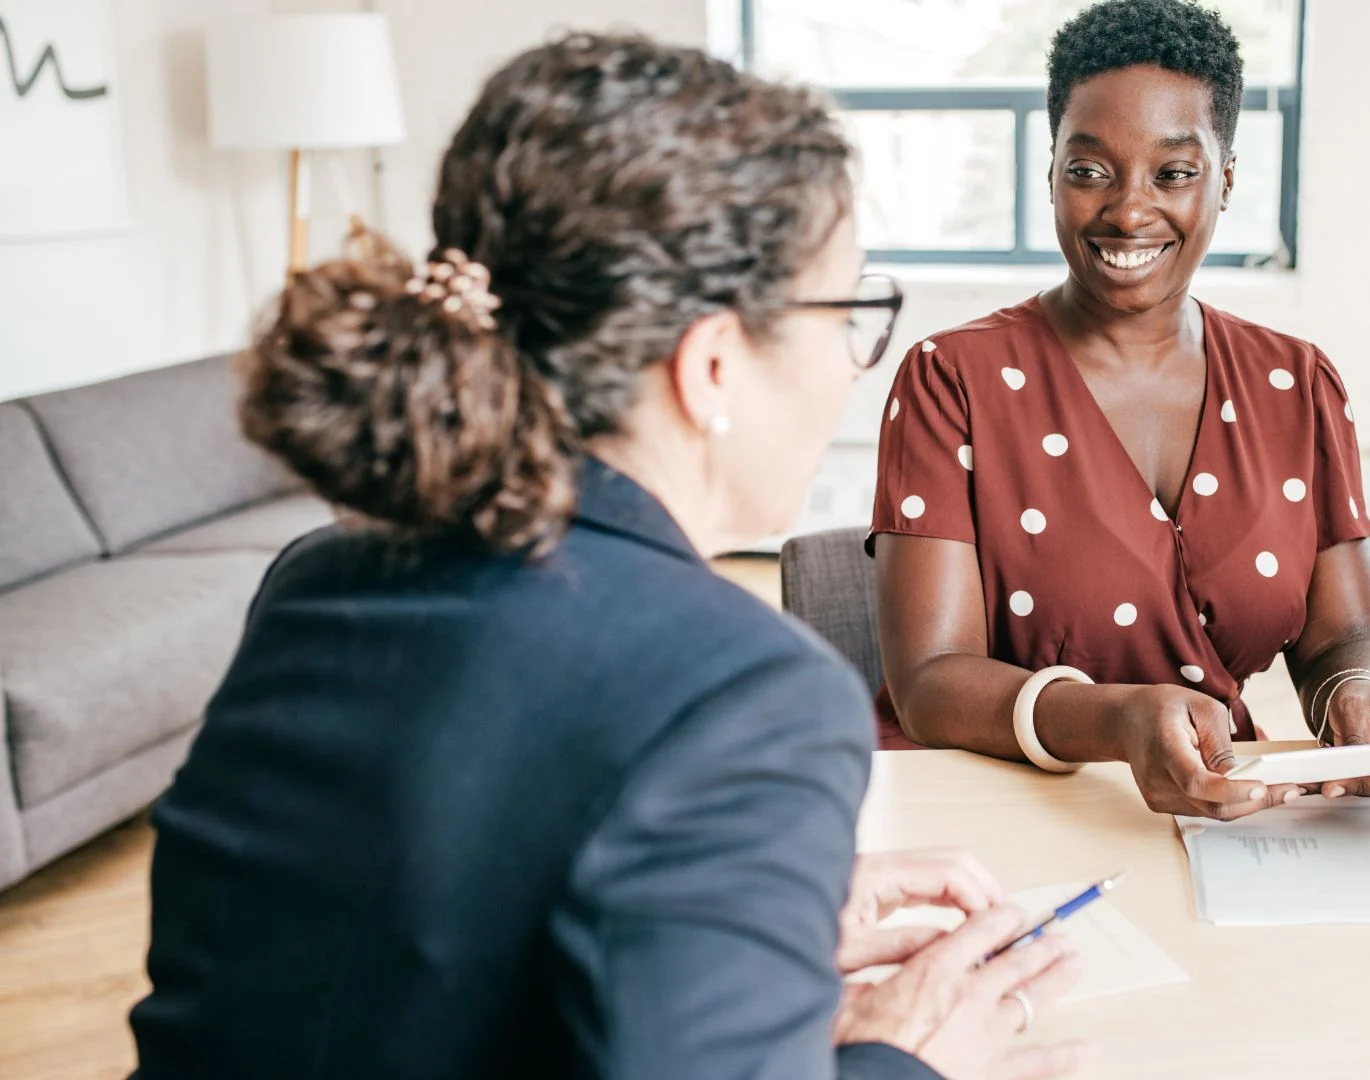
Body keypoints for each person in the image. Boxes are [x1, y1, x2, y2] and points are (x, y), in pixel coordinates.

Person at [129, 34, 1088, 1080]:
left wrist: (726, 910)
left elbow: (383, 954)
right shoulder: (748, 694)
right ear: (713, 365)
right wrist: (910, 1058)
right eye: (848, 315)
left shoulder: (320, 576)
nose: (854, 371)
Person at [870, 0, 1370, 818]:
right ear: (1053, 172)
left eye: (1173, 172)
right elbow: (928, 682)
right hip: (993, 805)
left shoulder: (1299, 383)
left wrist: (1359, 694)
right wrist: (1116, 720)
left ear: (1226, 176)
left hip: (1212, 801)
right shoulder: (953, 377)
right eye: (1090, 169)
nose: (1128, 211)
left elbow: (1340, 640)